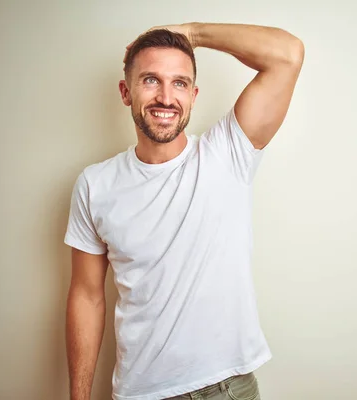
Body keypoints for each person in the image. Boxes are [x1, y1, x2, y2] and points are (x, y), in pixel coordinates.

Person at [64, 22, 304, 400]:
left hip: (228, 389)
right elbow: (86, 296)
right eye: (150, 80)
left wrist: (193, 33)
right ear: (126, 92)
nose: (165, 97)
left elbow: (288, 54)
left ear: (193, 95)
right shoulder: (95, 185)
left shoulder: (228, 153)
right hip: (139, 393)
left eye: (179, 83)